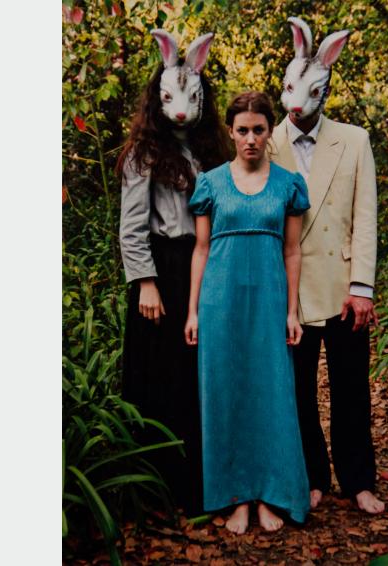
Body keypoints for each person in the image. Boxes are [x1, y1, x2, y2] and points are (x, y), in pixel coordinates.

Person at [270, 16, 385, 514]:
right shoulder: (263, 140)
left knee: (350, 386)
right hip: (289, 287)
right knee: (297, 388)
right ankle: (312, 475)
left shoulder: (354, 140)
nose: (298, 102)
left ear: (326, 89)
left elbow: (365, 216)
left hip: (341, 286)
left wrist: (362, 287)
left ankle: (358, 480)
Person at [184, 91, 311, 534]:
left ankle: (269, 494)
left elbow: (292, 251)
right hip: (219, 304)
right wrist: (192, 312)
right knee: (226, 393)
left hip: (270, 304)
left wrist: (292, 311)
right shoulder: (211, 183)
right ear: (231, 132)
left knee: (271, 394)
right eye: (242, 130)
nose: (251, 138)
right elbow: (201, 250)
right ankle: (235, 496)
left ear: (270, 130)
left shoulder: (288, 184)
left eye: (259, 130)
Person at [117, 29, 228, 516]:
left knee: (197, 371)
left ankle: (200, 482)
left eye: (189, 98)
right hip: (162, 270)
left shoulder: (210, 152)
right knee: (161, 374)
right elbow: (132, 225)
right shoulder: (143, 154)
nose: (180, 110)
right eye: (169, 99)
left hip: (204, 265)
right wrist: (146, 282)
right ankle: (156, 489)